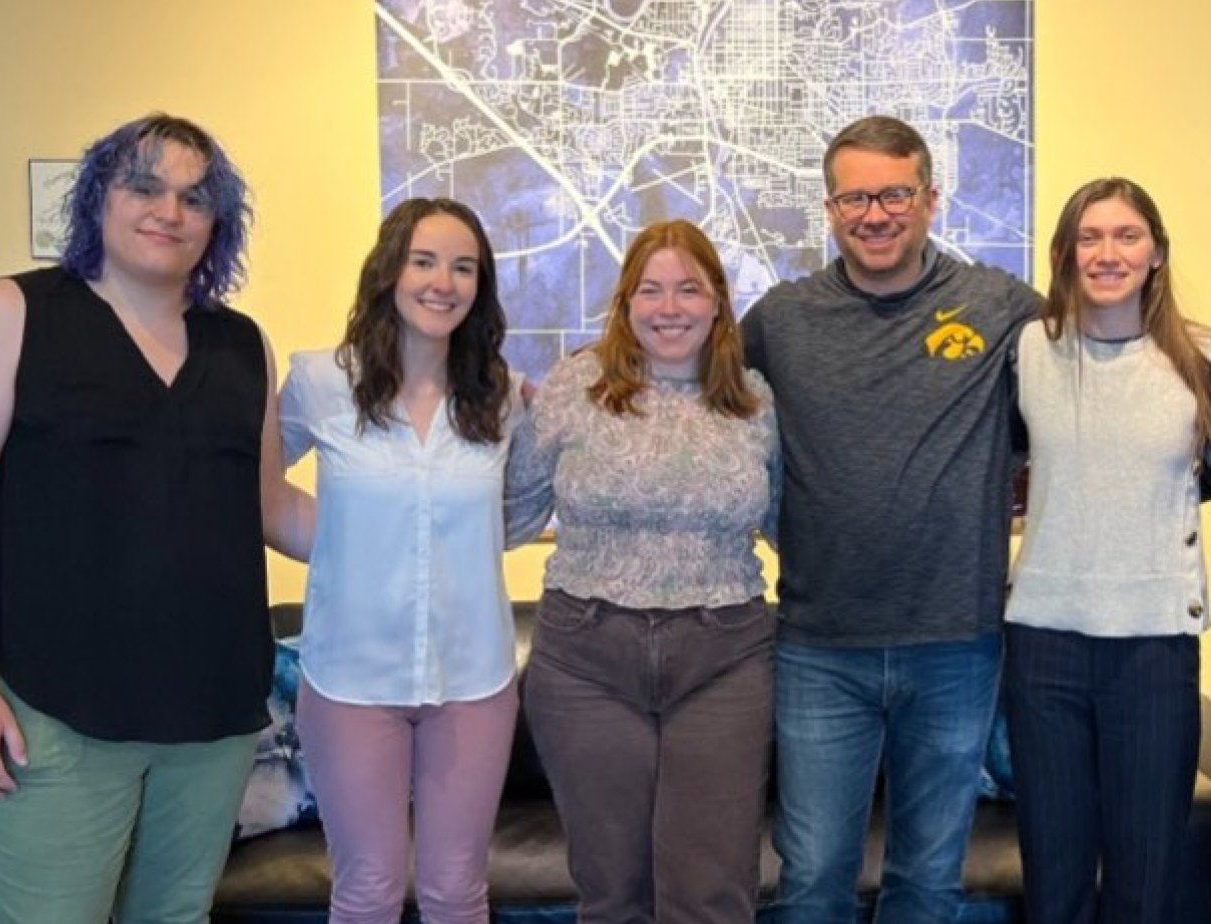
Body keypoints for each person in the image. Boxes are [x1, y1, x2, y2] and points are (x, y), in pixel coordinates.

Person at [0, 113, 309, 924]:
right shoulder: (10, 314)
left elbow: (269, 507)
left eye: (195, 197)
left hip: (215, 713)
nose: (169, 209)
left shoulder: (241, 346)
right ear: (98, 196)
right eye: (144, 186)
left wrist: (424, 530)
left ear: (217, 223)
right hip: (53, 710)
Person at [740, 115, 1041, 924]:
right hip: (818, 650)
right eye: (855, 198)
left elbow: (1096, 370)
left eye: (894, 195)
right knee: (810, 885)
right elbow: (696, 405)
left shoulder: (1001, 308)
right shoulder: (778, 321)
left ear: (931, 198)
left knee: (927, 884)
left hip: (956, 646)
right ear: (831, 209)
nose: (875, 215)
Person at [507, 219, 780, 924]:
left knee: (712, 898)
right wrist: (486, 421)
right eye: (650, 290)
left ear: (718, 300)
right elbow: (509, 516)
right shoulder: (574, 385)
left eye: (689, 289)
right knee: (613, 897)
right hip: (585, 659)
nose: (669, 308)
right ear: (625, 303)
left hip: (724, 657)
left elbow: (792, 527)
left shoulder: (754, 400)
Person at [278, 198, 525, 924]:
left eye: (463, 267)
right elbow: (252, 485)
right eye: (424, 261)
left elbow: (528, 502)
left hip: (472, 681)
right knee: (366, 892)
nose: (442, 282)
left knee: (457, 892)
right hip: (351, 680)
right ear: (390, 269)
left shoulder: (502, 397)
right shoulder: (322, 380)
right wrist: (338, 549)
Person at [1003, 178, 1211, 924]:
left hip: (1154, 645)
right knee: (1055, 882)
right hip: (1045, 646)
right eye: (1090, 237)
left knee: (1148, 883)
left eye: (1127, 235)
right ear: (1067, 254)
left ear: (1158, 252)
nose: (1108, 253)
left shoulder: (1206, 356)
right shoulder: (1032, 350)